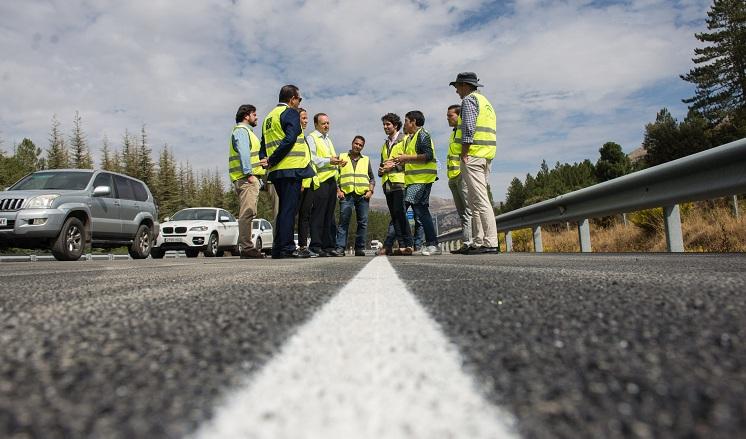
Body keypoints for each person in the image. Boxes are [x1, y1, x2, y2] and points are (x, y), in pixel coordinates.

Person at [259, 84, 315, 259]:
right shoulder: (290, 112)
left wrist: (267, 160)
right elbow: (290, 138)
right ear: (292, 99)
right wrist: (273, 159)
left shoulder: (268, 117)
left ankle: (278, 248)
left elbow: (263, 144)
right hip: (291, 169)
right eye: (299, 99)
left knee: (284, 209)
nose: (299, 103)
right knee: (289, 210)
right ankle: (287, 248)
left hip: (276, 172)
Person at [449, 72, 499, 254]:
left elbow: (469, 127)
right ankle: (478, 241)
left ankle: (491, 242)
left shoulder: (469, 100)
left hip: (473, 155)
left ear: (464, 85)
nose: (456, 91)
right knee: (474, 200)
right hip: (486, 155)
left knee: (480, 199)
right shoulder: (486, 104)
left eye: (457, 86)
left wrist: (464, 152)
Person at [394, 110, 441, 256]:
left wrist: (406, 157)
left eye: (406, 121)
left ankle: (432, 244)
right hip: (415, 181)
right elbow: (411, 160)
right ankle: (431, 244)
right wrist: (400, 161)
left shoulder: (423, 135)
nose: (405, 124)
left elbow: (428, 155)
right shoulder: (410, 138)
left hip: (422, 180)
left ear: (413, 122)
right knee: (421, 211)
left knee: (420, 211)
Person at [307, 113, 346, 257]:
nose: (326, 126)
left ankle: (328, 246)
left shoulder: (328, 140)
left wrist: (337, 161)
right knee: (318, 214)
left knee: (329, 216)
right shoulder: (311, 138)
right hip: (320, 181)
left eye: (328, 123)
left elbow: (331, 158)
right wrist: (329, 161)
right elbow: (312, 159)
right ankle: (316, 246)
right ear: (316, 124)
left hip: (331, 181)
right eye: (323, 123)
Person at [229, 104, 265, 259]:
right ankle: (247, 248)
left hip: (247, 178)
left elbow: (249, 156)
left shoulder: (246, 132)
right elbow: (244, 153)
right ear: (246, 116)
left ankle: (247, 247)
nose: (256, 117)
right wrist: (249, 174)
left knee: (250, 212)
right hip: (246, 179)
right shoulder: (242, 132)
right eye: (254, 114)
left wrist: (260, 164)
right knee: (247, 212)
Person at [377, 113, 413, 256]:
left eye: (388, 124)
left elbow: (409, 162)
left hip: (400, 182)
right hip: (387, 184)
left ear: (395, 125)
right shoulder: (384, 145)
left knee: (401, 214)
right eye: (384, 125)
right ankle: (402, 245)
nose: (385, 127)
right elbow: (383, 164)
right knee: (394, 215)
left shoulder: (405, 140)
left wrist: (392, 167)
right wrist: (381, 170)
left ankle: (409, 244)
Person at [335, 135, 375, 256]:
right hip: (346, 195)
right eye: (356, 143)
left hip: (362, 196)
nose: (357, 146)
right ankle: (340, 248)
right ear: (352, 143)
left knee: (362, 222)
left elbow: (372, 178)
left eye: (360, 145)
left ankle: (359, 248)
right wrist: (338, 190)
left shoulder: (366, 160)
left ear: (362, 147)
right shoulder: (341, 157)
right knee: (343, 221)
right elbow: (335, 175)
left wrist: (370, 191)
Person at [445, 104, 474, 254]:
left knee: (468, 210)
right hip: (453, 177)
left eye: (450, 115)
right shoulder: (453, 133)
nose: (448, 118)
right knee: (462, 212)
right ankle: (467, 242)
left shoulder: (464, 130)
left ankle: (471, 242)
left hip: (462, 175)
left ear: (459, 115)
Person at [295, 108, 317, 258]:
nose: (306, 121)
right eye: (303, 118)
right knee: (292, 214)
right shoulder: (295, 136)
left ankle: (303, 246)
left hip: (309, 182)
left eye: (306, 118)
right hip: (299, 181)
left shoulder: (304, 137)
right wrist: (301, 181)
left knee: (305, 215)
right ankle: (286, 244)